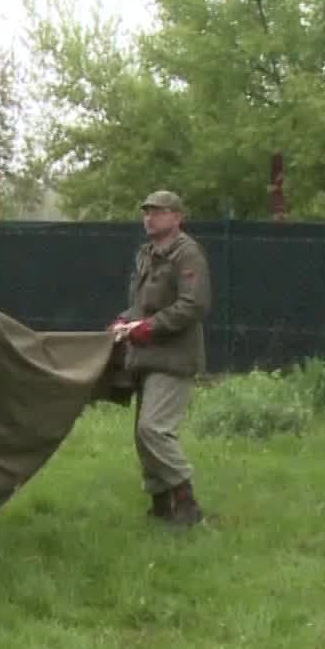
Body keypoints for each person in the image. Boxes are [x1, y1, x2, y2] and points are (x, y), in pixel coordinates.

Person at [110, 190, 211, 527]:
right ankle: (161, 505)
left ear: (177, 217)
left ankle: (186, 501)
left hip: (174, 356)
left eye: (157, 211)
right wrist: (125, 321)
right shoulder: (147, 254)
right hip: (146, 355)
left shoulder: (187, 254)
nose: (149, 217)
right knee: (142, 435)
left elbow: (193, 305)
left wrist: (148, 327)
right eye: (146, 212)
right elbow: (141, 302)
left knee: (153, 428)